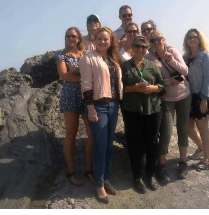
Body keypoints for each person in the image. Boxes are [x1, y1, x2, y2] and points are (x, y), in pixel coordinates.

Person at [78, 27, 122, 203]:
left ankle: (106, 178)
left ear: (110, 41)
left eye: (106, 39)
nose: (103, 42)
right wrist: (90, 108)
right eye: (100, 39)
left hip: (113, 105)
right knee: (100, 146)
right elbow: (86, 85)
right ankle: (99, 184)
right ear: (94, 40)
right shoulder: (88, 58)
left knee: (109, 145)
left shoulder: (112, 58)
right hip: (98, 106)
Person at [121, 36, 166, 193]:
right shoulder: (124, 66)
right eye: (137, 46)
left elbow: (161, 86)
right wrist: (133, 88)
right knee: (135, 144)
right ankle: (137, 177)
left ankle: (151, 175)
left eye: (143, 47)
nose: (140, 49)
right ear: (132, 47)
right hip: (132, 110)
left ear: (147, 49)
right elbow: (118, 89)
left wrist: (151, 88)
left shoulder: (153, 66)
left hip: (152, 110)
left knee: (152, 143)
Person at [146, 29, 191, 180]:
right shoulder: (149, 58)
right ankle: (161, 166)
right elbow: (152, 81)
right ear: (150, 43)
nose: (156, 42)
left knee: (183, 130)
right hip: (166, 99)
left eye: (158, 39)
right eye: (153, 40)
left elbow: (185, 70)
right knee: (166, 131)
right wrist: (168, 82)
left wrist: (171, 60)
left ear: (163, 39)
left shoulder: (172, 51)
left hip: (184, 95)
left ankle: (183, 163)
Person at [56, 27, 93, 186]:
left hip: (87, 96)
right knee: (71, 133)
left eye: (73, 36)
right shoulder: (61, 55)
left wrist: (77, 72)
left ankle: (89, 169)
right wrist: (82, 76)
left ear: (79, 39)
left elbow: (91, 73)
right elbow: (64, 75)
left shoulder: (86, 54)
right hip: (70, 96)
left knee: (92, 133)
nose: (70, 38)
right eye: (67, 36)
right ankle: (71, 171)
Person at [184, 29, 209, 171]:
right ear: (186, 40)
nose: (192, 39)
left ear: (200, 39)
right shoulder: (185, 57)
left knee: (203, 128)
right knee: (187, 127)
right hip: (189, 97)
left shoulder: (205, 56)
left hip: (202, 96)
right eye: (189, 37)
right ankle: (201, 148)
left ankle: (208, 160)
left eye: (195, 37)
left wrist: (204, 99)